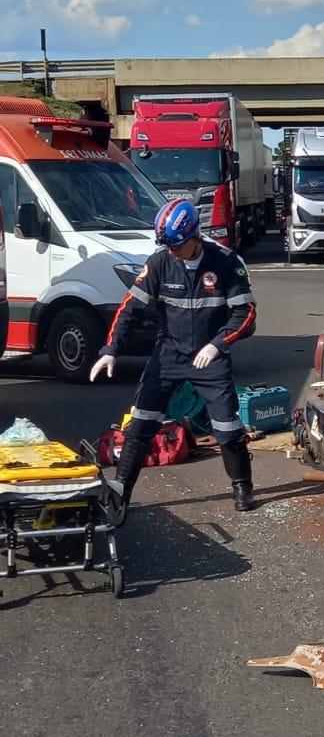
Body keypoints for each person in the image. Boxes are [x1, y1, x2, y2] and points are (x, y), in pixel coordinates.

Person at [89, 198, 258, 515]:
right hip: (168, 354)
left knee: (227, 427)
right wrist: (111, 350)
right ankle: (121, 491)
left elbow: (246, 314)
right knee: (140, 425)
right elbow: (129, 310)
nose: (172, 252)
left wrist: (217, 344)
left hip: (210, 356)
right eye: (167, 246)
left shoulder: (225, 263)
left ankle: (242, 486)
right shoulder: (159, 263)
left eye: (177, 246)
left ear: (195, 236)